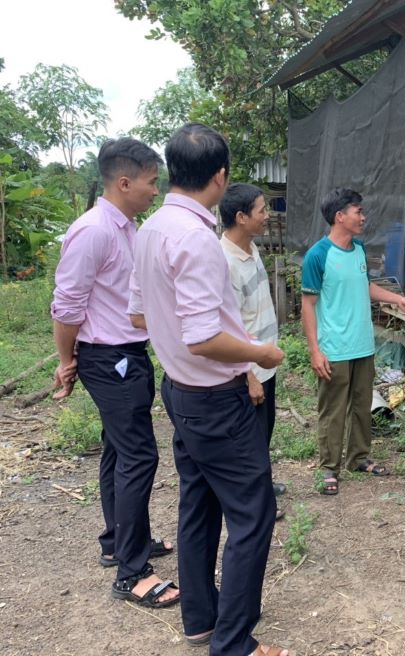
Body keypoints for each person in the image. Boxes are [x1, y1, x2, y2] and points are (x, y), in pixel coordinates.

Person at [128, 123, 288, 656]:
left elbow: (137, 313)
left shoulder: (150, 229)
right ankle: (234, 642)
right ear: (220, 177)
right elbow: (203, 338)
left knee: (198, 504)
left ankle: (200, 618)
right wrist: (259, 354)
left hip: (180, 392)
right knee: (252, 514)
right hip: (215, 399)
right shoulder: (197, 239)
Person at [51, 137, 179, 609]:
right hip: (110, 359)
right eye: (150, 182)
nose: (154, 190)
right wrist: (68, 362)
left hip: (126, 354)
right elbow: (66, 307)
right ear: (124, 182)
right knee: (139, 457)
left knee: (118, 451)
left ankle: (119, 541)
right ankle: (131, 573)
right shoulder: (93, 231)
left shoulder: (126, 227)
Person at [301, 188, 405, 496]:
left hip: (362, 344)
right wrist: (315, 350)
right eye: (358, 211)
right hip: (334, 348)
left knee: (361, 404)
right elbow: (308, 305)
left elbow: (365, 286)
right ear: (340, 216)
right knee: (332, 409)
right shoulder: (318, 255)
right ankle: (329, 468)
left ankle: (359, 457)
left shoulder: (358, 249)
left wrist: (397, 299)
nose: (363, 217)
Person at [219, 183, 287, 514]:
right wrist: (248, 376)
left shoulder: (251, 248)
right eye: (261, 210)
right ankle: (257, 503)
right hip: (249, 370)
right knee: (248, 442)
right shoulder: (224, 263)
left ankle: (262, 486)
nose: (267, 215)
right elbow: (227, 329)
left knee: (263, 434)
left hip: (265, 362)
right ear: (241, 217)